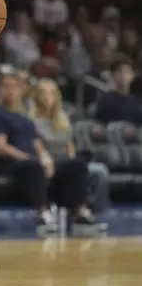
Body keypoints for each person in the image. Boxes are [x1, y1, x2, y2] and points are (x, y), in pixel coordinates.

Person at [0, 73, 100, 234]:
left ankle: (80, 213)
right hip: (8, 164)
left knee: (77, 165)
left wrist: (45, 158)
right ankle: (43, 214)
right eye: (6, 86)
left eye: (14, 87)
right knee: (34, 166)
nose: (11, 90)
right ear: (0, 90)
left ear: (21, 90)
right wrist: (29, 158)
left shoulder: (24, 118)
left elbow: (36, 143)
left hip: (32, 163)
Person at [29, 79, 110, 222]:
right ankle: (78, 209)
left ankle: (94, 213)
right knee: (80, 167)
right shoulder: (31, 119)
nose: (47, 97)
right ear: (36, 96)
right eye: (43, 93)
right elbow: (36, 145)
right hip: (47, 164)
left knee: (100, 171)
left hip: (66, 162)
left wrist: (71, 159)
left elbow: (70, 144)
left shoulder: (62, 118)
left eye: (51, 93)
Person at [95, 57, 142, 125]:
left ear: (132, 75)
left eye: (127, 72)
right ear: (113, 75)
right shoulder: (106, 101)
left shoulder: (136, 103)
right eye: (119, 71)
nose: (123, 75)